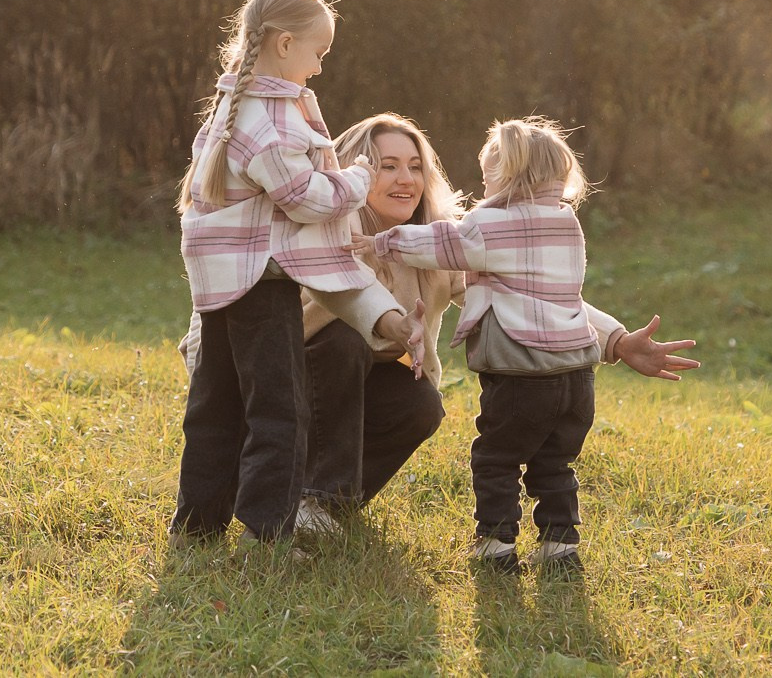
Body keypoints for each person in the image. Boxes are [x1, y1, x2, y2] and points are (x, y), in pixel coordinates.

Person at [178, 112, 703, 537]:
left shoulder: (436, 245)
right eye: (386, 166)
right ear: (354, 175)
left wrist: (616, 341)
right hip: (267, 393)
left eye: (414, 166)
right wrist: (374, 297)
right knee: (344, 341)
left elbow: (533, 294)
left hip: (341, 399)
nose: (404, 179)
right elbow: (269, 326)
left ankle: (327, 507)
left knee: (420, 404)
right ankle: (302, 493)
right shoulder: (315, 234)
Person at [169, 0, 421, 548]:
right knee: (279, 412)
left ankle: (196, 528)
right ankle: (267, 534)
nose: (320, 67)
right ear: (285, 44)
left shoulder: (230, 107)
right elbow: (304, 198)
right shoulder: (273, 119)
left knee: (216, 407)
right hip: (262, 284)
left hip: (222, 285)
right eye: (318, 52)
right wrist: (356, 178)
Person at [367, 118, 603, 575]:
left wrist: (383, 242)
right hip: (578, 375)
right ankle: (560, 546)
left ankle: (496, 543)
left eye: (487, 175)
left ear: (508, 174)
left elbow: (445, 244)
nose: (483, 185)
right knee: (554, 462)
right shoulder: (567, 223)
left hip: (522, 372)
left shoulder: (492, 224)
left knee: (496, 458)